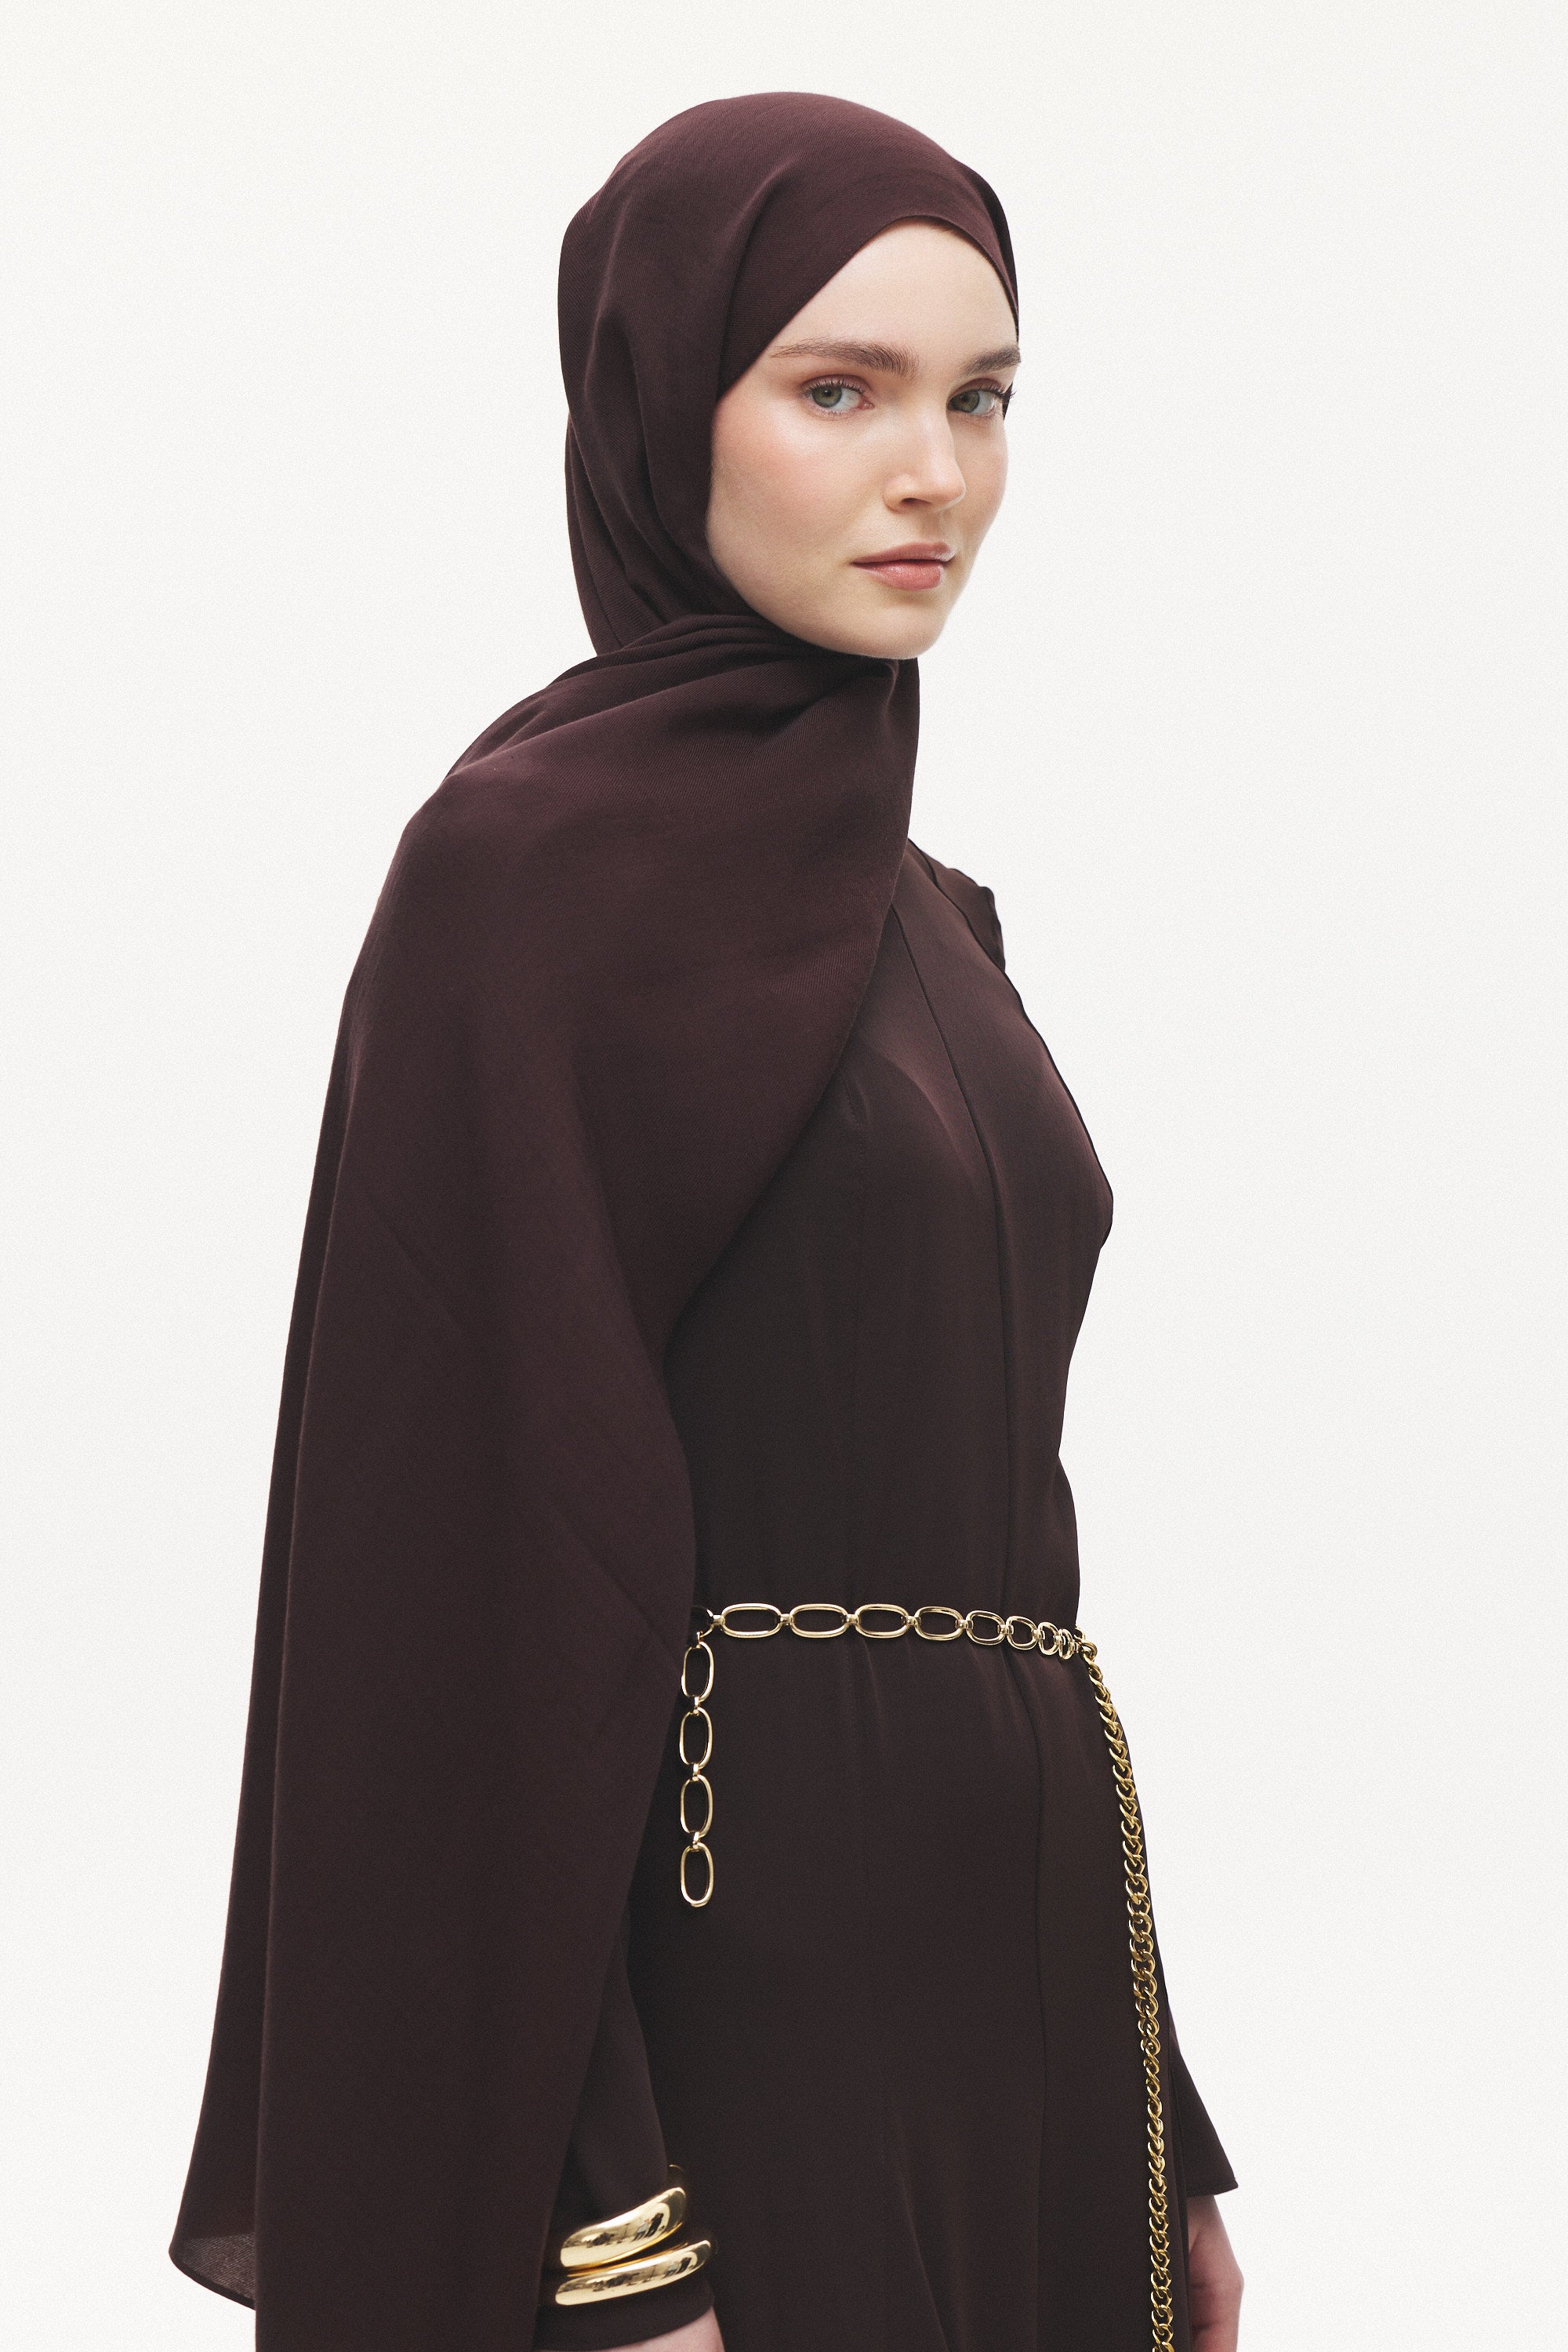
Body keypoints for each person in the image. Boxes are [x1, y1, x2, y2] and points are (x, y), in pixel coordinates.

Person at [169, 93, 1243, 2352]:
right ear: (663, 405)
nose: (934, 473)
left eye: (983, 399)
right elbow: (464, 1580)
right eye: (840, 391)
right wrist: (607, 2232)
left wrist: (1170, 2115)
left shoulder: (942, 925)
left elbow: (1009, 1557)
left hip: (1032, 2006)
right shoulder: (523, 883)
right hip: (742, 1999)